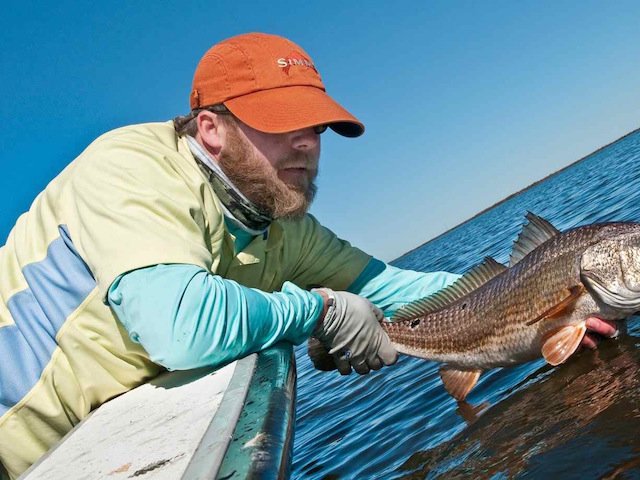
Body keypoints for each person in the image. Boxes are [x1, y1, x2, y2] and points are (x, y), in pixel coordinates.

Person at [0, 32, 616, 479]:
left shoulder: (283, 224)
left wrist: (536, 297)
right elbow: (179, 326)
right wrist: (320, 313)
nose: (306, 143)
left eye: (316, 126)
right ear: (210, 127)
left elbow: (394, 288)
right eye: (282, 122)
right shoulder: (132, 168)